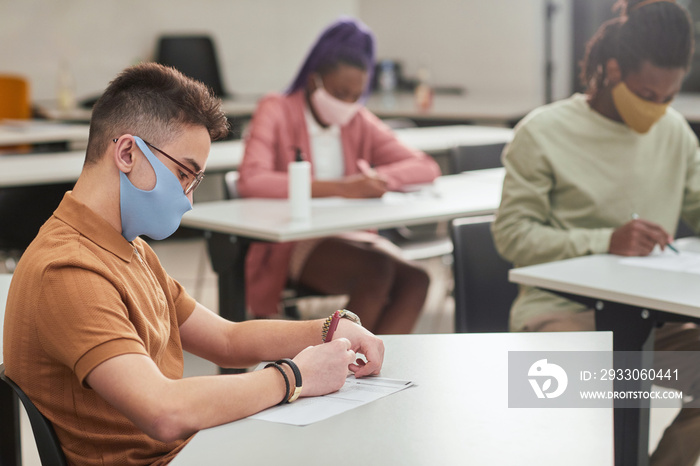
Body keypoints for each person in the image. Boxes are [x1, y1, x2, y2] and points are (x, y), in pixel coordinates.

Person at [2, 63, 384, 466]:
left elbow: (227, 341)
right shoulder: (68, 271)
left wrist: (328, 329)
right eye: (183, 174)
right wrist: (295, 377)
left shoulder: (126, 248)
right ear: (128, 152)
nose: (187, 198)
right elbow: (164, 411)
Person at [492, 1, 700, 464]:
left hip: (653, 322)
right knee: (593, 411)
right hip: (563, 317)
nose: (657, 110)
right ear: (611, 70)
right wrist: (604, 239)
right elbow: (511, 236)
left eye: (669, 98)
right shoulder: (543, 132)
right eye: (647, 93)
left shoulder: (674, 133)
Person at [237, 18, 441, 333]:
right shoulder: (275, 109)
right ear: (315, 80)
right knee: (377, 270)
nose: (347, 104)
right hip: (293, 239)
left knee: (416, 279)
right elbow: (251, 179)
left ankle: (373, 367)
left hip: (349, 234)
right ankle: (339, 365)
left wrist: (377, 179)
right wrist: (344, 188)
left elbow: (425, 167)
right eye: (340, 92)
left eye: (356, 95)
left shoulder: (356, 119)